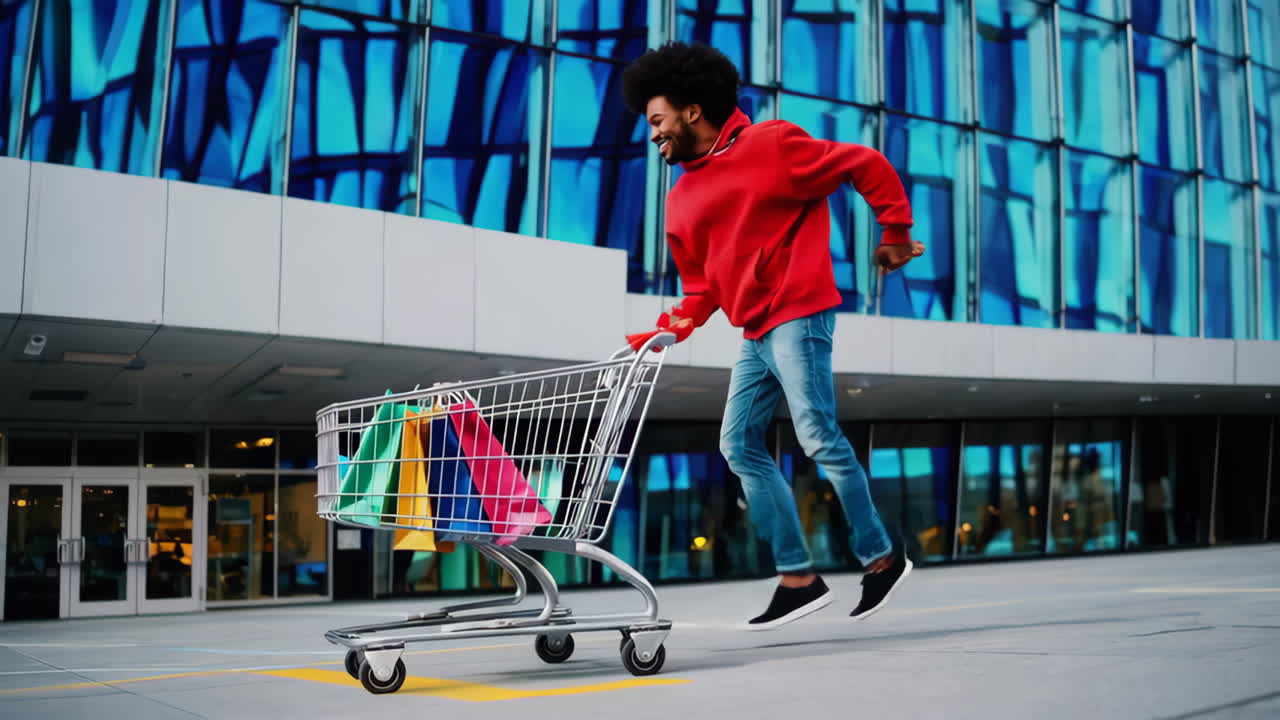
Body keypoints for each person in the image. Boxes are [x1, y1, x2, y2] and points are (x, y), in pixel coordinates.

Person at [622, 42, 924, 630]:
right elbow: (700, 286)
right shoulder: (680, 197)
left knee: (815, 431)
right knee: (737, 445)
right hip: (755, 329)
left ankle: (883, 557)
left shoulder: (773, 145)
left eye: (657, 120)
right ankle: (798, 577)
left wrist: (894, 229)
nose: (653, 134)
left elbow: (864, 163)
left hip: (799, 311)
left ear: (691, 111)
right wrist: (669, 329)